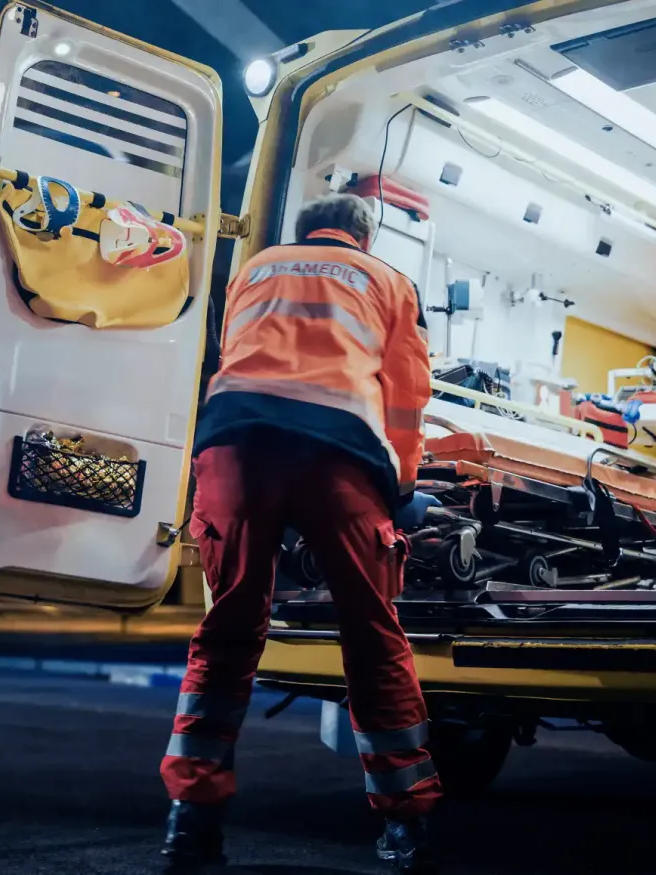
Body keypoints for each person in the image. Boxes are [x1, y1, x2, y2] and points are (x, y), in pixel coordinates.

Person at [160, 193, 443, 872]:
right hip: (336, 453)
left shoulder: (254, 267)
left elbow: (237, 355)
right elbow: (407, 393)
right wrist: (400, 485)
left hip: (234, 444)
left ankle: (190, 822)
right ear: (365, 236)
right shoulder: (388, 281)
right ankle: (404, 822)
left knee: (226, 634)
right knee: (371, 635)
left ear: (303, 230)